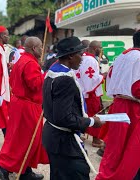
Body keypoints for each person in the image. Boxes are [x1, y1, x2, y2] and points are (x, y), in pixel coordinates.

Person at [42, 36, 103, 180]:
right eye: (80, 55)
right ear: (70, 56)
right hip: (63, 141)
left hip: (53, 135)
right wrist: (92, 122)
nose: (82, 59)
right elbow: (64, 118)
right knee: (77, 172)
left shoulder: (53, 71)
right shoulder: (65, 79)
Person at [0, 37, 47, 180]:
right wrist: (45, 74)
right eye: (41, 47)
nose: (43, 50)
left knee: (24, 139)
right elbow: (35, 84)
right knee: (25, 140)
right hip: (27, 106)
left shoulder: (22, 59)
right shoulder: (30, 63)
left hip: (20, 104)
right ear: (34, 48)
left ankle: (25, 170)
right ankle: (4, 166)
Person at [96, 31, 140, 180]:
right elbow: (137, 88)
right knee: (131, 150)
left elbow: (109, 79)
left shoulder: (122, 56)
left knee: (115, 149)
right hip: (133, 109)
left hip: (119, 104)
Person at [75, 40, 104, 147]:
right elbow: (91, 79)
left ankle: (82, 132)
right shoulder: (91, 60)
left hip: (82, 91)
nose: (101, 50)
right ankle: (96, 140)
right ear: (95, 49)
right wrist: (102, 76)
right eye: (100, 48)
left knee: (83, 114)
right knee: (95, 115)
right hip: (90, 94)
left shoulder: (83, 58)